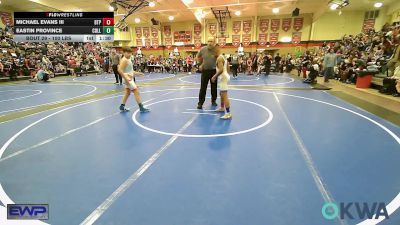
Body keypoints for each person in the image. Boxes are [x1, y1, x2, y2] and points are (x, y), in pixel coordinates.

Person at [118, 47, 150, 113]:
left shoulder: (128, 59)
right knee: (136, 91)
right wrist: (126, 79)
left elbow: (130, 71)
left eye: (130, 53)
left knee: (127, 92)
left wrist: (138, 73)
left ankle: (122, 106)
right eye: (127, 53)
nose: (129, 54)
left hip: (129, 77)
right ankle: (141, 107)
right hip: (128, 78)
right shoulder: (124, 60)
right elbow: (120, 70)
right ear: (123, 53)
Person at [196, 37, 218, 109]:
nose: (210, 43)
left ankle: (213, 100)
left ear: (214, 42)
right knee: (203, 88)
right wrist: (200, 64)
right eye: (208, 41)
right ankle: (200, 103)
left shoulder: (216, 50)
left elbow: (219, 59)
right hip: (205, 71)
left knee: (214, 87)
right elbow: (198, 56)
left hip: (214, 71)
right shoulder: (203, 49)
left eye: (211, 41)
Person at [211, 46, 232, 119]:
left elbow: (221, 70)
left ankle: (228, 113)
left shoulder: (219, 58)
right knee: (221, 94)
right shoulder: (223, 57)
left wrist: (214, 76)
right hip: (224, 77)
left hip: (223, 78)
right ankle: (222, 107)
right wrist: (227, 75)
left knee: (224, 95)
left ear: (216, 51)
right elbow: (228, 67)